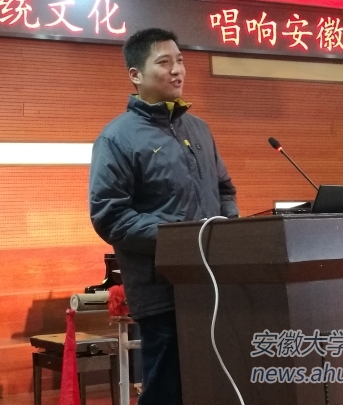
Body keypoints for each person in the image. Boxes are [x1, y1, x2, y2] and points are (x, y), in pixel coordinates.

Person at [88, 28, 239, 405]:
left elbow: (224, 189)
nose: (177, 70)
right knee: (167, 391)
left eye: (181, 61)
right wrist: (181, 239)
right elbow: (110, 216)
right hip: (161, 290)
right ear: (136, 75)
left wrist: (228, 231)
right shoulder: (117, 138)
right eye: (165, 62)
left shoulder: (199, 129)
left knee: (213, 386)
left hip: (212, 284)